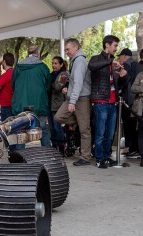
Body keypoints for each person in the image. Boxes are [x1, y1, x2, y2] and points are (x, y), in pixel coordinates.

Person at [88, 35, 127, 169]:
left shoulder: (113, 63)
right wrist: (110, 62)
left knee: (110, 134)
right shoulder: (97, 59)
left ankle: (106, 157)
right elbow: (92, 66)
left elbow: (117, 84)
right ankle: (99, 159)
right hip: (101, 102)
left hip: (112, 102)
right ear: (107, 45)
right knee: (100, 133)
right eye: (115, 45)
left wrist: (123, 75)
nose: (116, 48)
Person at [55, 38, 93, 166]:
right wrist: (68, 89)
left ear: (76, 47)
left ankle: (85, 157)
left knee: (84, 130)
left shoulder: (80, 61)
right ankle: (80, 121)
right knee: (59, 116)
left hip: (80, 99)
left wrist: (72, 100)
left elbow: (79, 83)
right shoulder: (75, 61)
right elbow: (74, 82)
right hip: (74, 97)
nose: (66, 52)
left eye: (68, 49)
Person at [12, 46, 52, 147]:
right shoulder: (43, 67)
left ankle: (19, 157)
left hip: (21, 104)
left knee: (21, 131)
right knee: (42, 129)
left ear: (27, 53)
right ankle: (48, 155)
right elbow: (48, 85)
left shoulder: (18, 67)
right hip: (39, 103)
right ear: (38, 54)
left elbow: (13, 84)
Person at [118, 48, 141, 159]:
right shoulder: (137, 65)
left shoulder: (127, 64)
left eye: (120, 56)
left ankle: (132, 149)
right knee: (134, 126)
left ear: (125, 56)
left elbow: (123, 81)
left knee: (129, 126)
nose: (119, 59)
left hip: (128, 100)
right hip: (136, 100)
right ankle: (135, 149)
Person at [49, 56, 69, 151]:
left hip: (58, 105)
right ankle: (54, 147)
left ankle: (61, 148)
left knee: (58, 128)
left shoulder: (63, 74)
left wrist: (49, 84)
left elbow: (58, 87)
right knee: (52, 129)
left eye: (56, 63)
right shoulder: (52, 74)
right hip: (50, 104)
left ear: (61, 64)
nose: (53, 65)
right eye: (52, 63)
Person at [0, 53, 15, 123]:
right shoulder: (16, 73)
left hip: (6, 105)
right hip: (15, 104)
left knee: (6, 128)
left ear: (4, 62)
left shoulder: (5, 75)